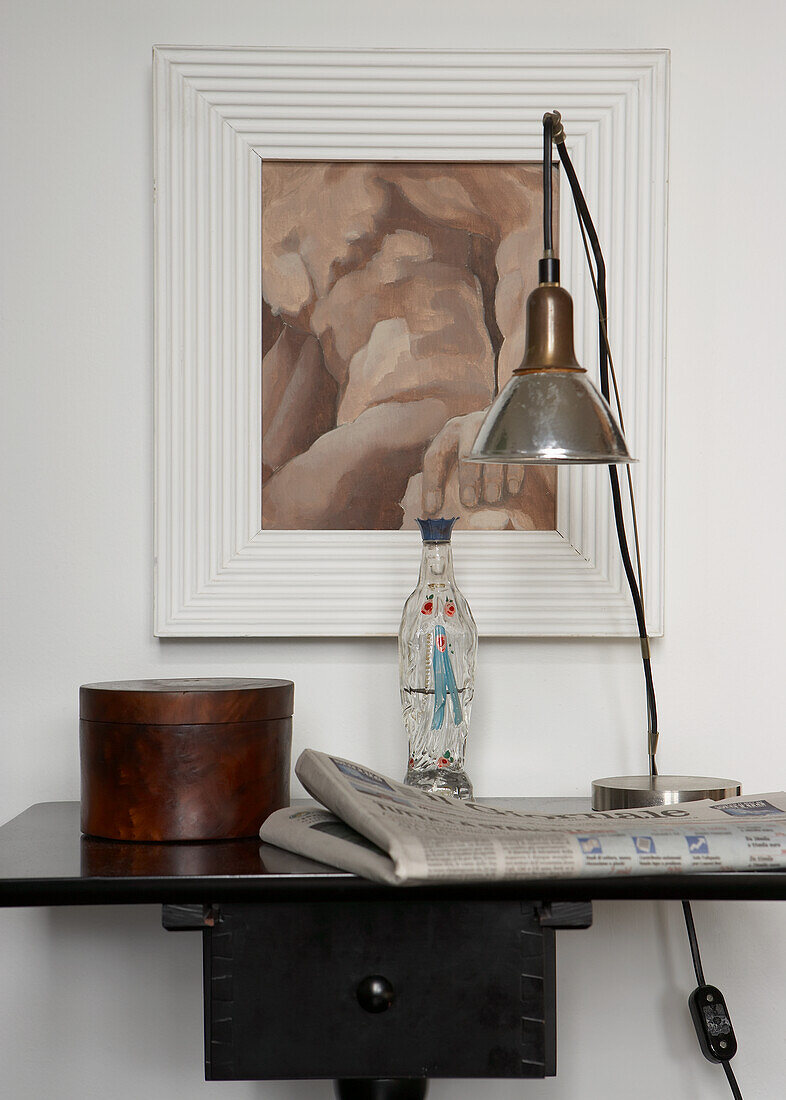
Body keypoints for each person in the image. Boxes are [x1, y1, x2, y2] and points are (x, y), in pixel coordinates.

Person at [261, 161, 556, 531]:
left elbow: (532, 216)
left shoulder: (399, 156)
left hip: (434, 409)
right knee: (253, 522)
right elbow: (294, 381)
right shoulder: (264, 199)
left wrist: (517, 407)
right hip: (362, 434)